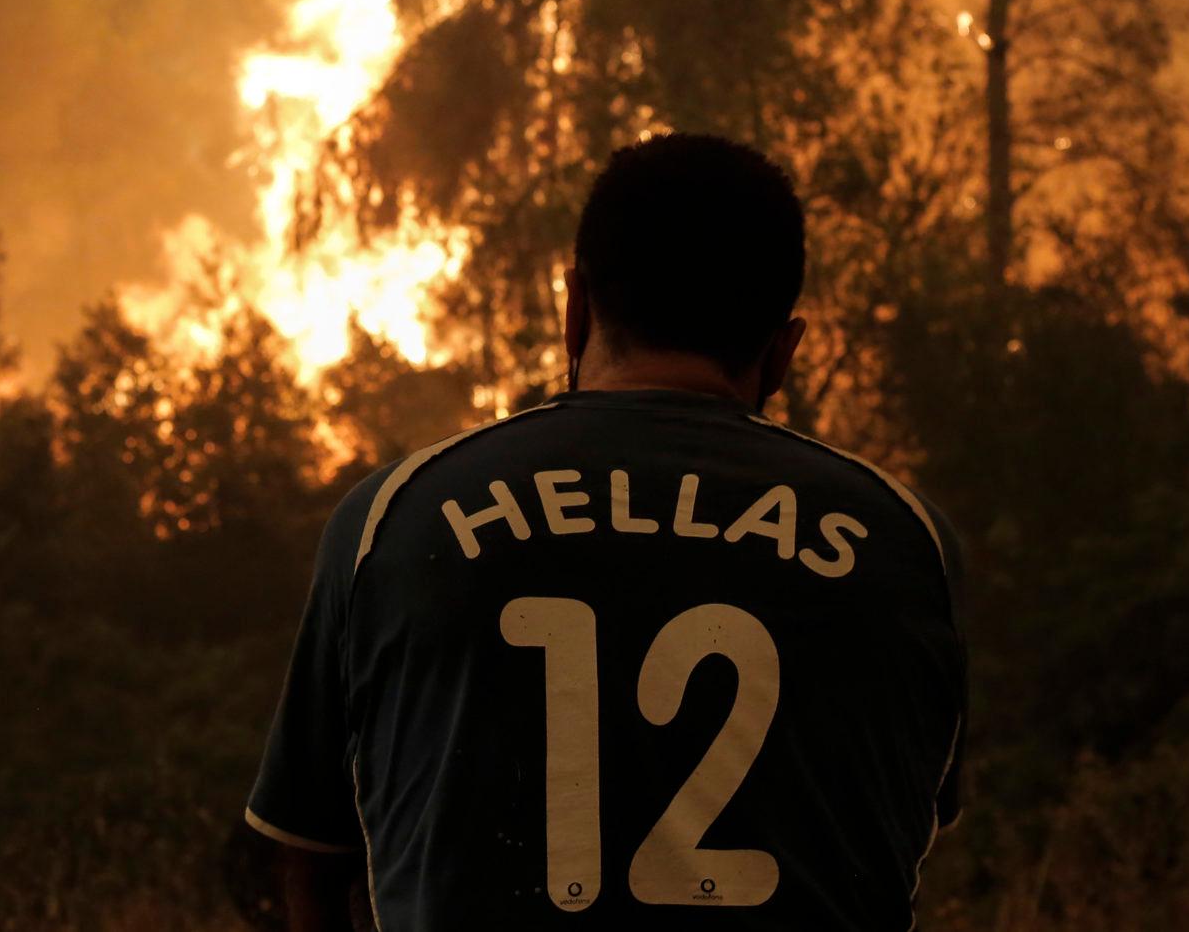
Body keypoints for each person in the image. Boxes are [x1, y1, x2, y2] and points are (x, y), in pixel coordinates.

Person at [246, 131, 968, 930]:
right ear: (784, 350)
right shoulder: (903, 545)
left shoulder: (395, 518)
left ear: (576, 307)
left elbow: (312, 866)